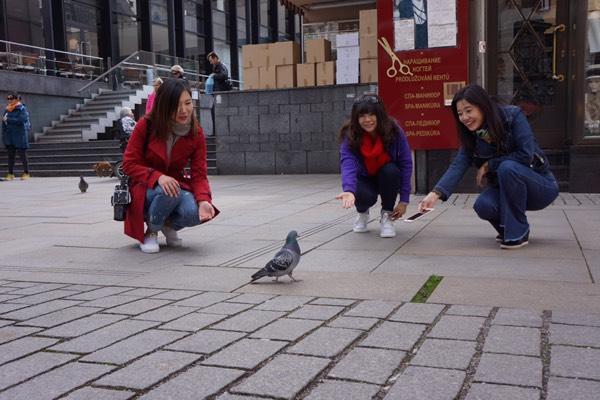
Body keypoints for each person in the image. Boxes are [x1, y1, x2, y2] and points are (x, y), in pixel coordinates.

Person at [419, 84, 559, 249]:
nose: (464, 117)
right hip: (506, 190)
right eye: (460, 113)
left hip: (540, 186)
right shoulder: (472, 135)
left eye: (468, 110)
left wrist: (489, 164)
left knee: (507, 167)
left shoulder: (513, 116)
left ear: (483, 106)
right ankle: (511, 229)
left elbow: (525, 154)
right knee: (483, 205)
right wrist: (435, 194)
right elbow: (459, 163)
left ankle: (517, 232)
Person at [122, 78, 219, 253]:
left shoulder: (196, 133)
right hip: (145, 187)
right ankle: (152, 230)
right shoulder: (146, 125)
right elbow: (129, 164)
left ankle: (167, 225)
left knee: (195, 212)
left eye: (187, 103)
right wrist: (157, 177)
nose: (184, 110)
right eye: (176, 105)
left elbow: (199, 173)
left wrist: (204, 199)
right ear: (164, 106)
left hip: (174, 185)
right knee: (168, 190)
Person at [336, 94, 413, 238]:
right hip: (364, 177)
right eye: (362, 116)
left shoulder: (394, 131)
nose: (367, 120)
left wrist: (404, 200)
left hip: (386, 176)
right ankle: (362, 213)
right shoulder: (350, 134)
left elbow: (406, 164)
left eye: (372, 115)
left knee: (391, 171)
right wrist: (349, 190)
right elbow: (347, 163)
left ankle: (387, 216)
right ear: (356, 118)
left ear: (379, 115)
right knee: (364, 195)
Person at [2, 92, 31, 180]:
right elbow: (4, 123)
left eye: (11, 99)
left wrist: (9, 119)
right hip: (10, 135)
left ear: (17, 99)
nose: (10, 100)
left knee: (22, 155)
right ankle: (10, 174)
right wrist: (4, 134)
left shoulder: (22, 109)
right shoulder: (7, 109)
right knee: (11, 156)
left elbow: (21, 120)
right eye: (8, 99)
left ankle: (26, 173)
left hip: (20, 135)